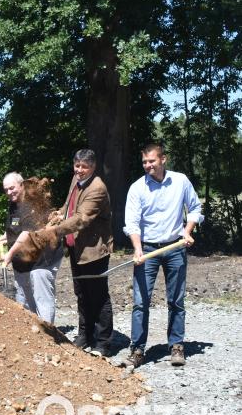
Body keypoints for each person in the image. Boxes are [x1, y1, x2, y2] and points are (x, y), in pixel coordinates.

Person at [123, 143, 203, 368]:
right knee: (140, 302)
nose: (148, 166)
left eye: (152, 161)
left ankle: (176, 346)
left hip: (175, 247)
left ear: (163, 159)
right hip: (147, 250)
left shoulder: (180, 181)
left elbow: (195, 208)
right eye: (144, 162)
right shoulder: (137, 188)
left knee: (176, 300)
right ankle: (138, 349)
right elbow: (132, 223)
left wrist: (187, 231)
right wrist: (137, 249)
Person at [51, 149, 113, 356]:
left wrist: (54, 231)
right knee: (81, 293)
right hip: (76, 248)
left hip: (93, 250)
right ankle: (85, 334)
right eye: (77, 165)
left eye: (84, 167)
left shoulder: (97, 188)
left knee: (98, 296)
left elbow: (81, 218)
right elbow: (69, 207)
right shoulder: (76, 180)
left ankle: (103, 342)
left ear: (93, 167)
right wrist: (58, 214)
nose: (79, 170)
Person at [0, 173, 64, 324]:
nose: (9, 192)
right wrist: (6, 236)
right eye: (6, 189)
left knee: (42, 296)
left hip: (43, 259)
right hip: (25, 258)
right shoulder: (14, 203)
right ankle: (32, 331)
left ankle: (47, 333)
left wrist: (9, 254)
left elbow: (27, 234)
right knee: (24, 296)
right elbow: (17, 226)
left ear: (21, 185)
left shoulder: (32, 202)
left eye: (12, 188)